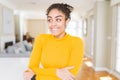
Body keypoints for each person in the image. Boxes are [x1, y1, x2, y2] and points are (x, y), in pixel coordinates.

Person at [24, 3, 84, 80]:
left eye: (58, 19)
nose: (53, 24)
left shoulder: (76, 42)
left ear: (67, 21)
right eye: (49, 20)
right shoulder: (41, 39)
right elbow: (31, 68)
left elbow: (69, 76)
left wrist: (35, 77)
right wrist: (56, 72)